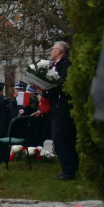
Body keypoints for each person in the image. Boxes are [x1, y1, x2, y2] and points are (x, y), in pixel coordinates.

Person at [38, 41, 77, 179]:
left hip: (62, 107)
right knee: (65, 138)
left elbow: (60, 85)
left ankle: (68, 170)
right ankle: (69, 168)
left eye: (53, 49)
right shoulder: (57, 65)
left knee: (60, 138)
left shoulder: (65, 64)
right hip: (57, 106)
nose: (51, 51)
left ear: (59, 51)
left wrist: (46, 92)